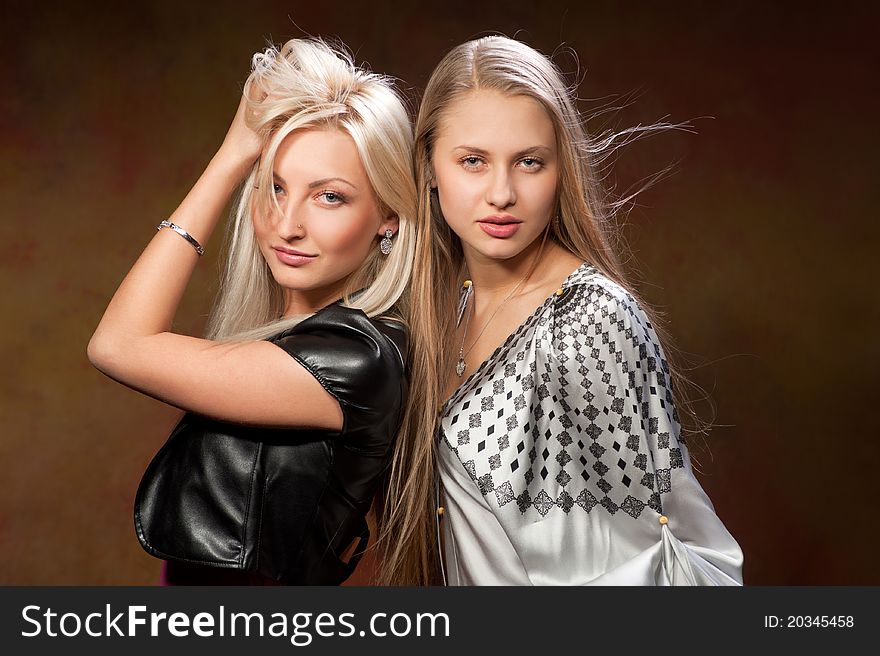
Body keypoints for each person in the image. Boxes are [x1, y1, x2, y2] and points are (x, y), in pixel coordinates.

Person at [379, 35, 743, 585]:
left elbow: (648, 567)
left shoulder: (589, 323)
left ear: (560, 170)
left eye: (529, 162)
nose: (501, 193)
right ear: (428, 166)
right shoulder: (445, 309)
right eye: (473, 161)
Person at [87, 38, 416, 585]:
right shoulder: (306, 344)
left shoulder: (354, 360)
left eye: (329, 196)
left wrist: (231, 155)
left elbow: (117, 344)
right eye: (276, 187)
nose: (287, 225)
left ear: (389, 215)